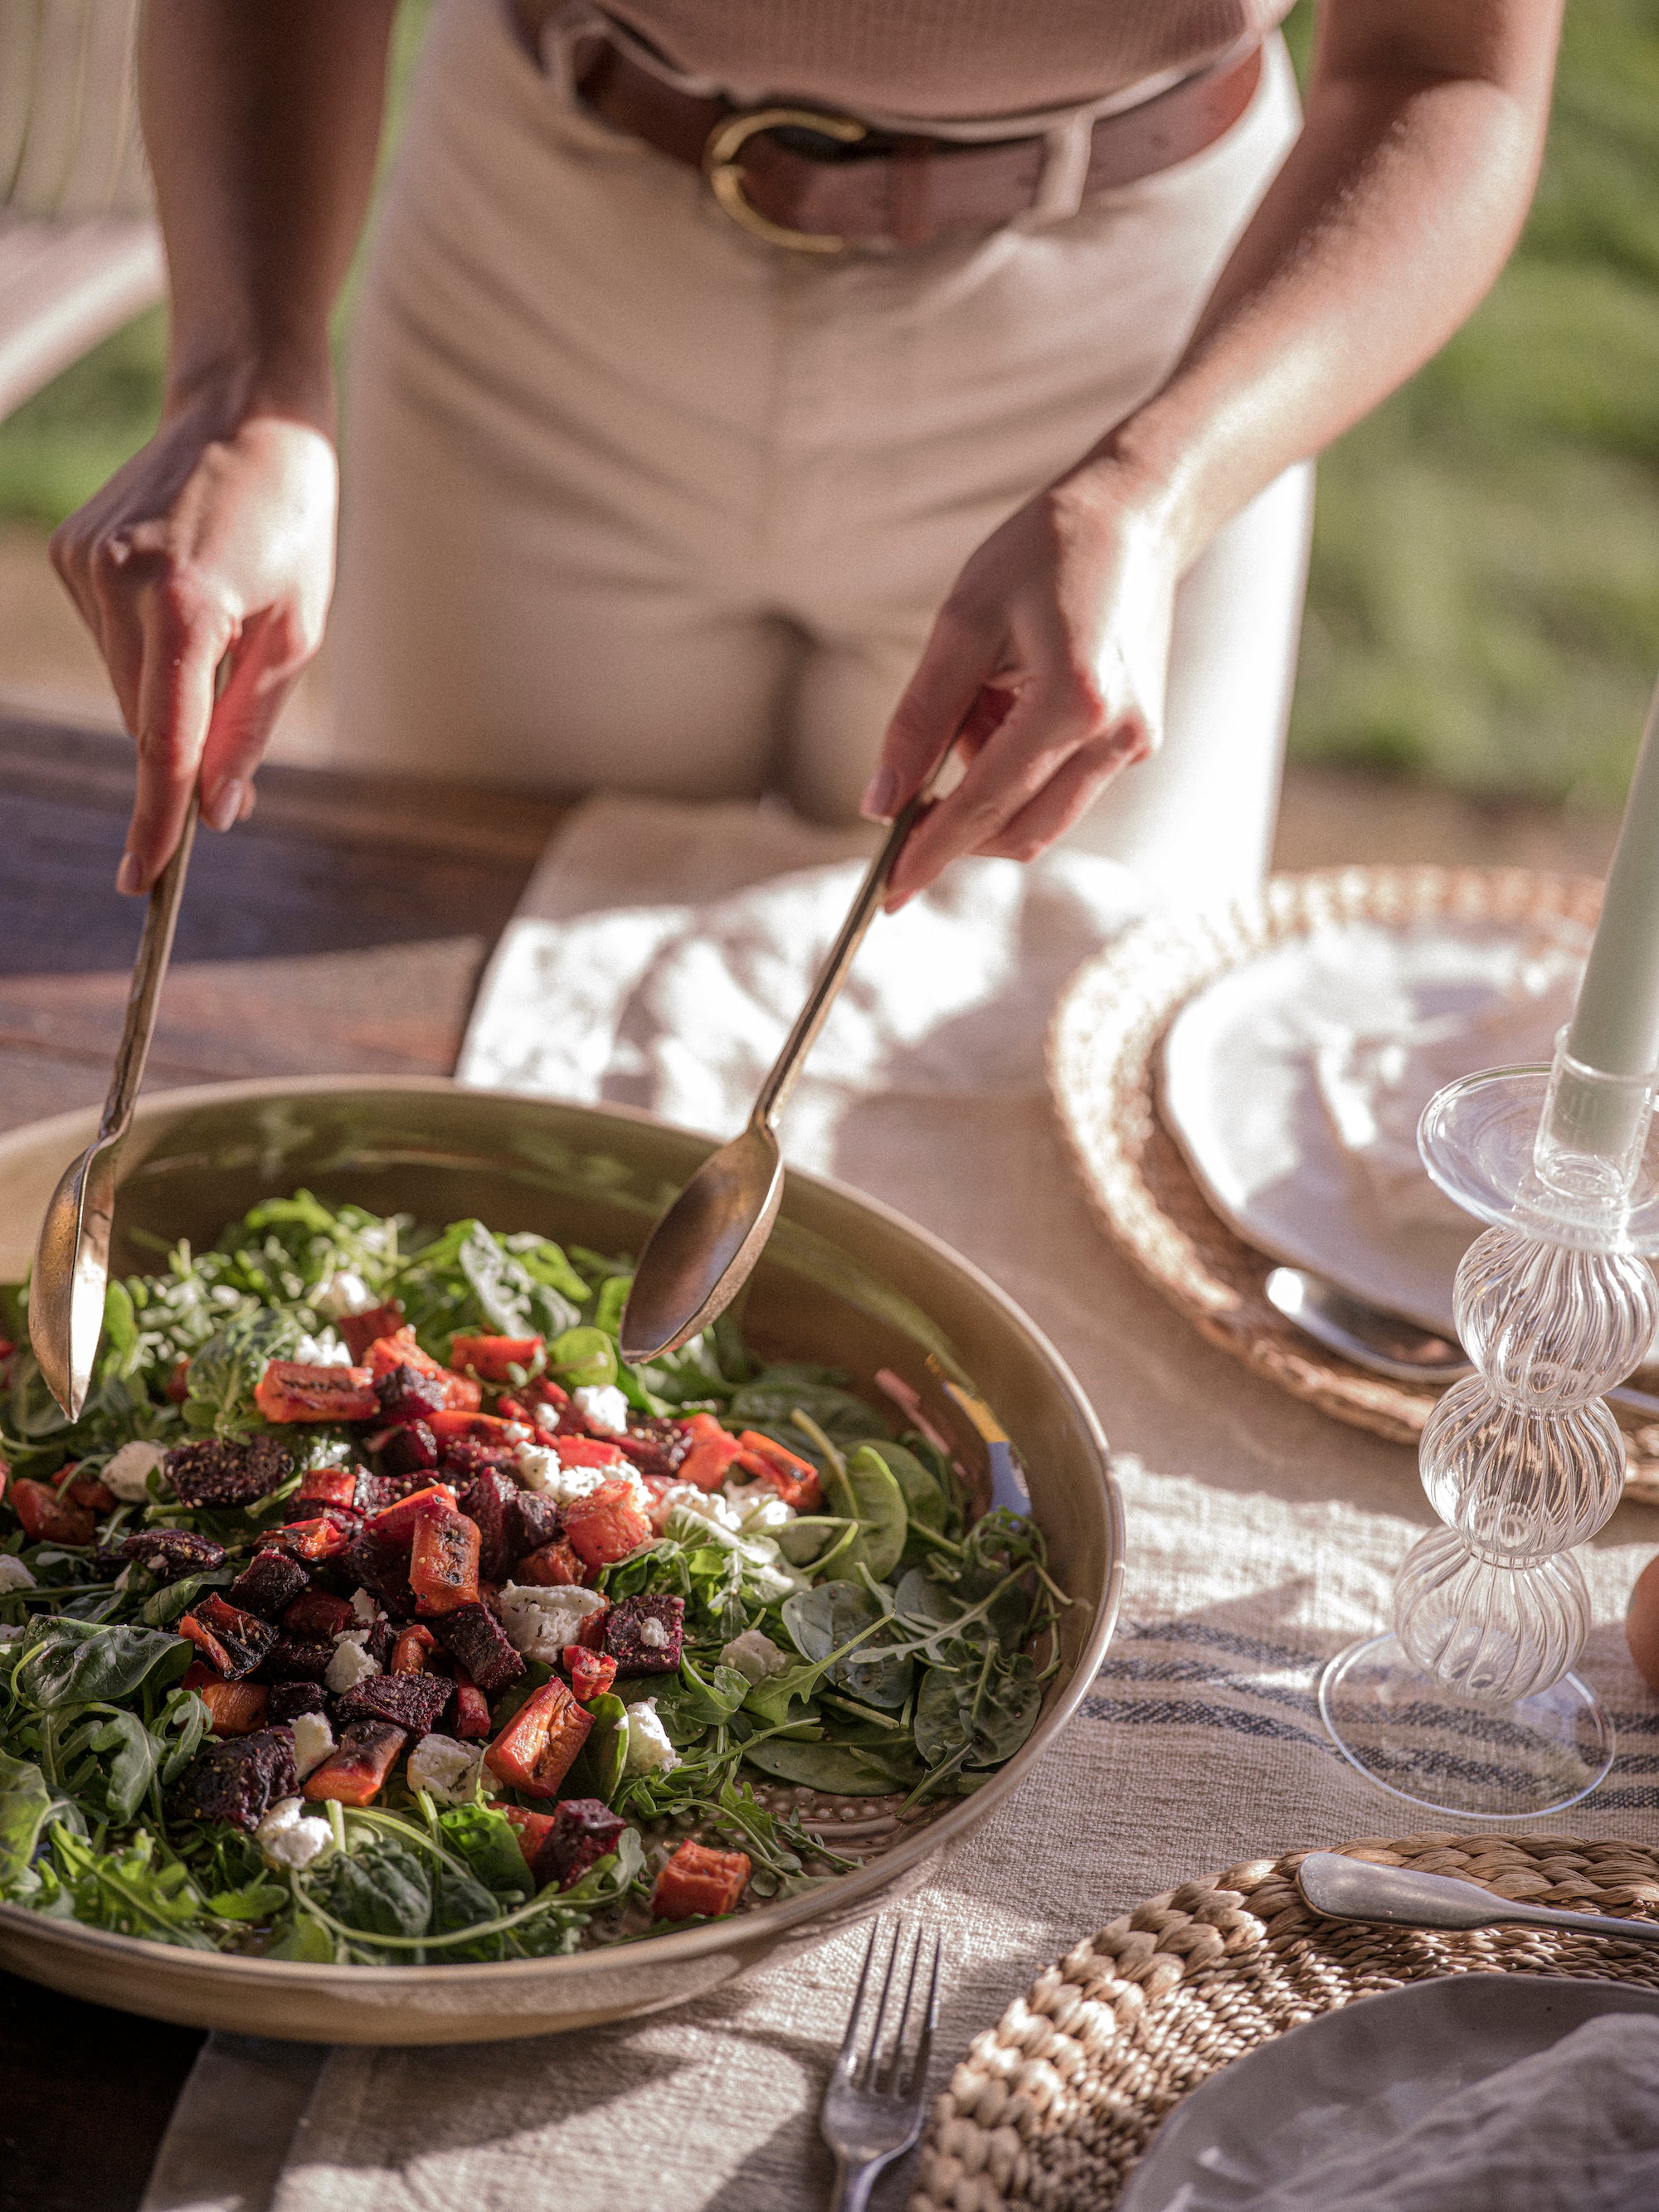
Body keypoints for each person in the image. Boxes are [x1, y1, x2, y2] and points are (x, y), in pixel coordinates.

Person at [51, 0, 1563, 914]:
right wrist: (246, 376)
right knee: (438, 978)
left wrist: (1157, 490)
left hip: (1134, 342)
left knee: (1018, 1079)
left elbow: (1453, 70)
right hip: (551, 257)